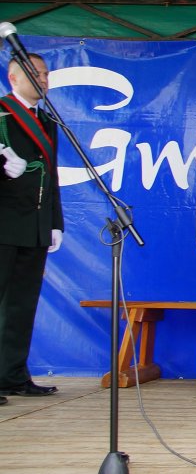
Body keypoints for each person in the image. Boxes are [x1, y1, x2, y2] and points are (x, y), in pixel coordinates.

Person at [0, 54, 63, 404]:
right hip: (4, 221)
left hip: (35, 224)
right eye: (34, 72)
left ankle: (11, 375)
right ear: (13, 76)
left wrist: (55, 223)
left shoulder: (48, 121)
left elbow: (50, 175)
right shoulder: (2, 113)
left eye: (45, 73)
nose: (42, 78)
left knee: (22, 305)